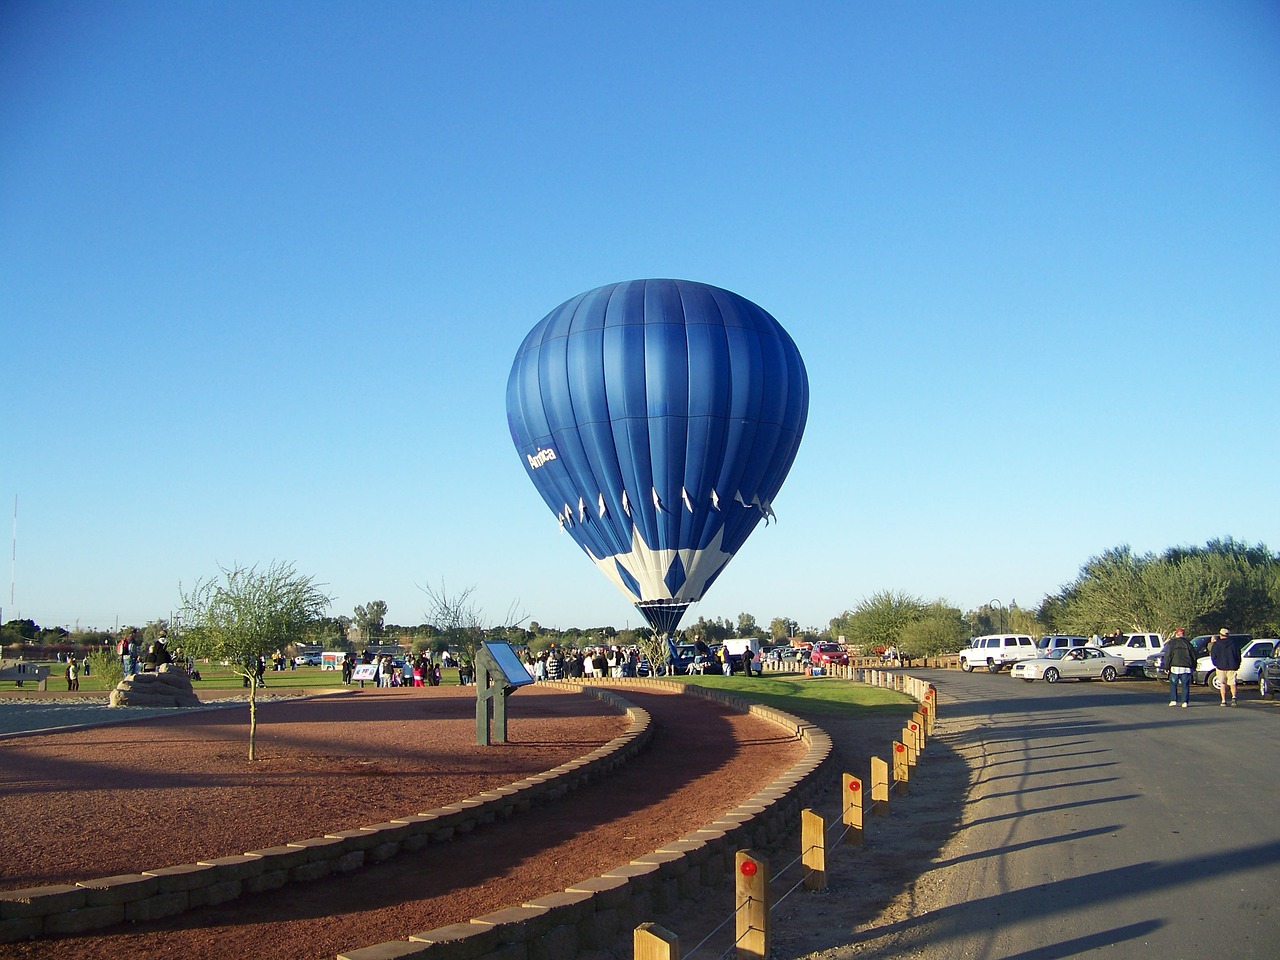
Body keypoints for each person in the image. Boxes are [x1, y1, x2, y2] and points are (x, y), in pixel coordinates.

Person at [1210, 627, 1242, 706]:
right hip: (1232, 666)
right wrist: (1237, 664)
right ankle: (1234, 697)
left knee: (1223, 684)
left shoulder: (1216, 644)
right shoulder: (1234, 644)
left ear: (1220, 635)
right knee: (1232, 683)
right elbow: (1238, 655)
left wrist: (1216, 664)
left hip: (1220, 667)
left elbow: (1213, 656)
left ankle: (1223, 701)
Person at [1163, 628, 1194, 708]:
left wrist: (1166, 666)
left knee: (1173, 684)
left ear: (1176, 634)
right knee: (1185, 685)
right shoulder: (1188, 643)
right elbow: (1193, 656)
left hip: (1174, 666)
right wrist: (1194, 666)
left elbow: (1168, 655)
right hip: (1186, 667)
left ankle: (1173, 700)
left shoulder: (1171, 643)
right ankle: (1185, 702)